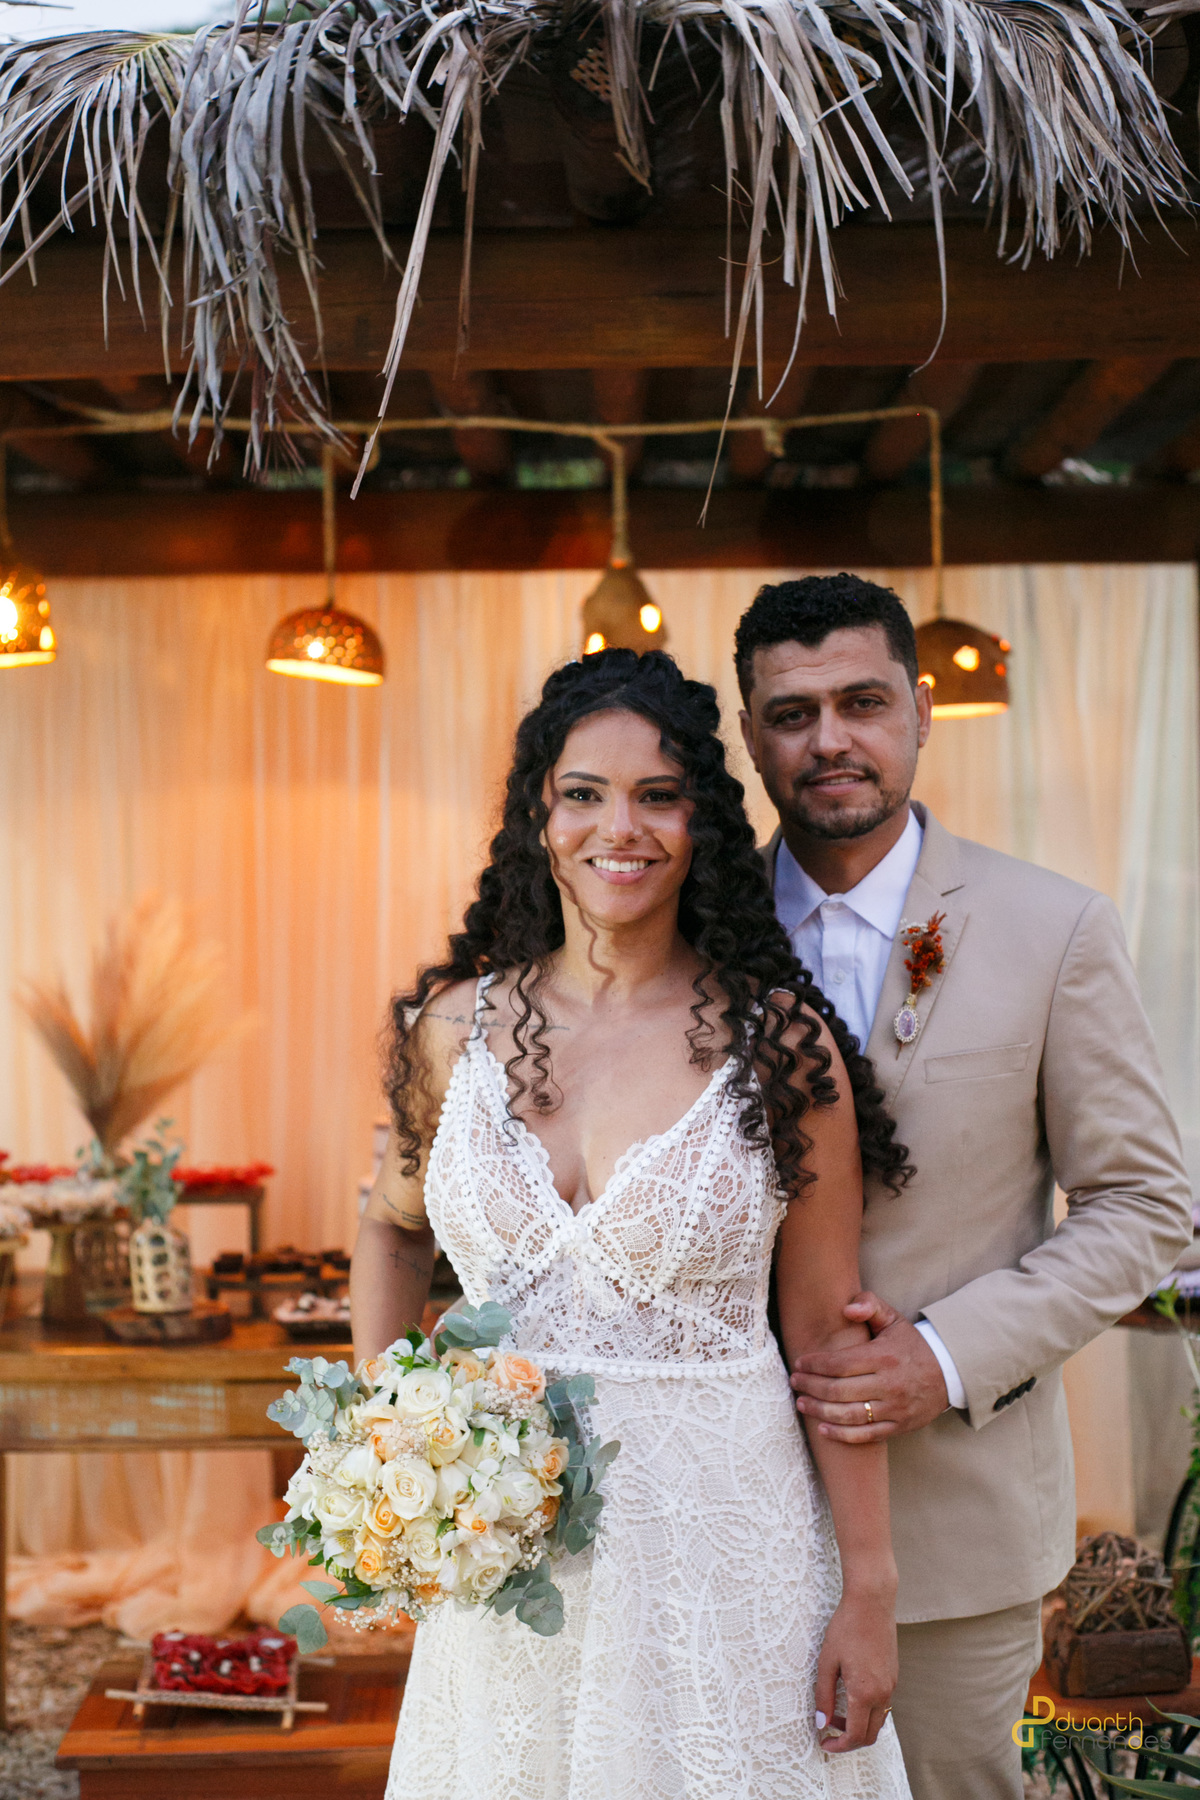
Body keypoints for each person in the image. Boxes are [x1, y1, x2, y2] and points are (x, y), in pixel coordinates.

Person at [353, 648, 915, 1800]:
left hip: (721, 1559)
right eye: (585, 792)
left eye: (660, 795)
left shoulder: (781, 1049)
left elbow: (824, 1336)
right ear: (538, 817)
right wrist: (392, 1426)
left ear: (702, 822)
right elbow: (392, 1228)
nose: (624, 827)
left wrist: (870, 1589)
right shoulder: (448, 1030)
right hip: (509, 1559)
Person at [735, 574, 1194, 1800]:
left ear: (922, 711)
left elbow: (1147, 1209)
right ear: (749, 736)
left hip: (957, 1527)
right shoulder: (691, 933)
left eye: (862, 701)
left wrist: (939, 1356)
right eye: (792, 713)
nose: (830, 738)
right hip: (717, 1511)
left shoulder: (1055, 930)